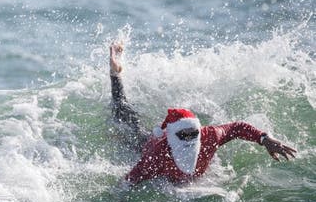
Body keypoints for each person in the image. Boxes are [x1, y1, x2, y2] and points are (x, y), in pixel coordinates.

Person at [108, 41, 296, 186]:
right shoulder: (157, 155)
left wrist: (265, 139)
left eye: (193, 134)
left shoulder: (210, 136)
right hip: (148, 144)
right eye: (185, 135)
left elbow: (237, 128)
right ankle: (116, 75)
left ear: (200, 131)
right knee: (125, 122)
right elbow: (128, 181)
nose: (190, 139)